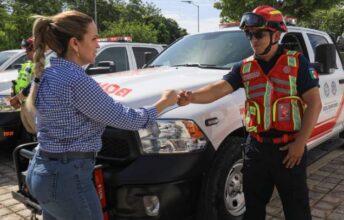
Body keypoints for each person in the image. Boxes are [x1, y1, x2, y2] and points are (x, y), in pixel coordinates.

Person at [24, 10, 177, 220]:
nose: (98, 44)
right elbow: (128, 119)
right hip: (67, 179)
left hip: (42, 171)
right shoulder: (77, 81)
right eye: (94, 38)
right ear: (75, 44)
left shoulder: (48, 73)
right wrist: (165, 102)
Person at [177, 5, 321, 220]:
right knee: (252, 208)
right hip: (256, 149)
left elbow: (314, 103)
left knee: (297, 209)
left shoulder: (296, 62)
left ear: (276, 34)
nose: (253, 40)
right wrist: (192, 97)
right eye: (249, 35)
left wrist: (300, 143)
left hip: (288, 150)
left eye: (259, 34)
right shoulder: (244, 67)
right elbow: (219, 88)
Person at [9, 37, 37, 136]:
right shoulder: (27, 65)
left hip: (34, 106)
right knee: (30, 135)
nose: (26, 52)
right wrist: (14, 95)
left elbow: (34, 85)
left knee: (39, 135)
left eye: (28, 49)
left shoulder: (43, 65)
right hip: (24, 105)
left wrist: (17, 97)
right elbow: (19, 83)